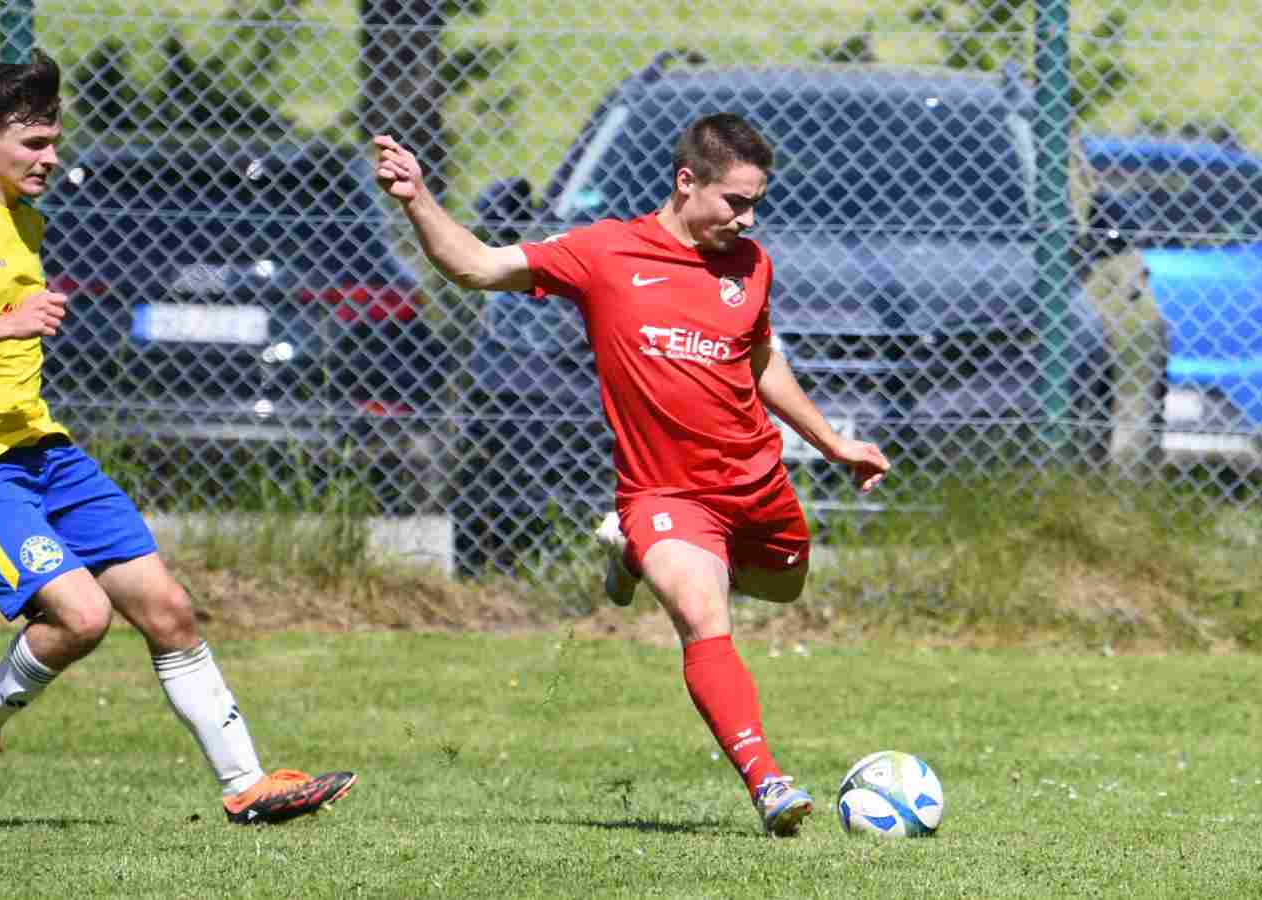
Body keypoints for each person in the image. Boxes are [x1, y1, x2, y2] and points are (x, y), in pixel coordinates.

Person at [374, 114, 890, 837]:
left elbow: (759, 361)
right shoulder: (605, 252)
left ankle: (633, 552)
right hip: (665, 492)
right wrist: (418, 199)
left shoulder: (751, 265)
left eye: (755, 204)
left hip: (755, 482)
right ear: (686, 182)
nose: (748, 219)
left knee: (782, 586)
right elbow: (476, 267)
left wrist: (832, 442)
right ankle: (768, 783)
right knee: (704, 617)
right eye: (735, 202)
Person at [0, 48, 355, 827]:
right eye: (33, 142)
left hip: (43, 449)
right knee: (83, 618)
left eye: (53, 139)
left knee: (168, 608)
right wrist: (9, 323)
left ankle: (247, 786)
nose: (50, 157)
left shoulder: (22, 218)